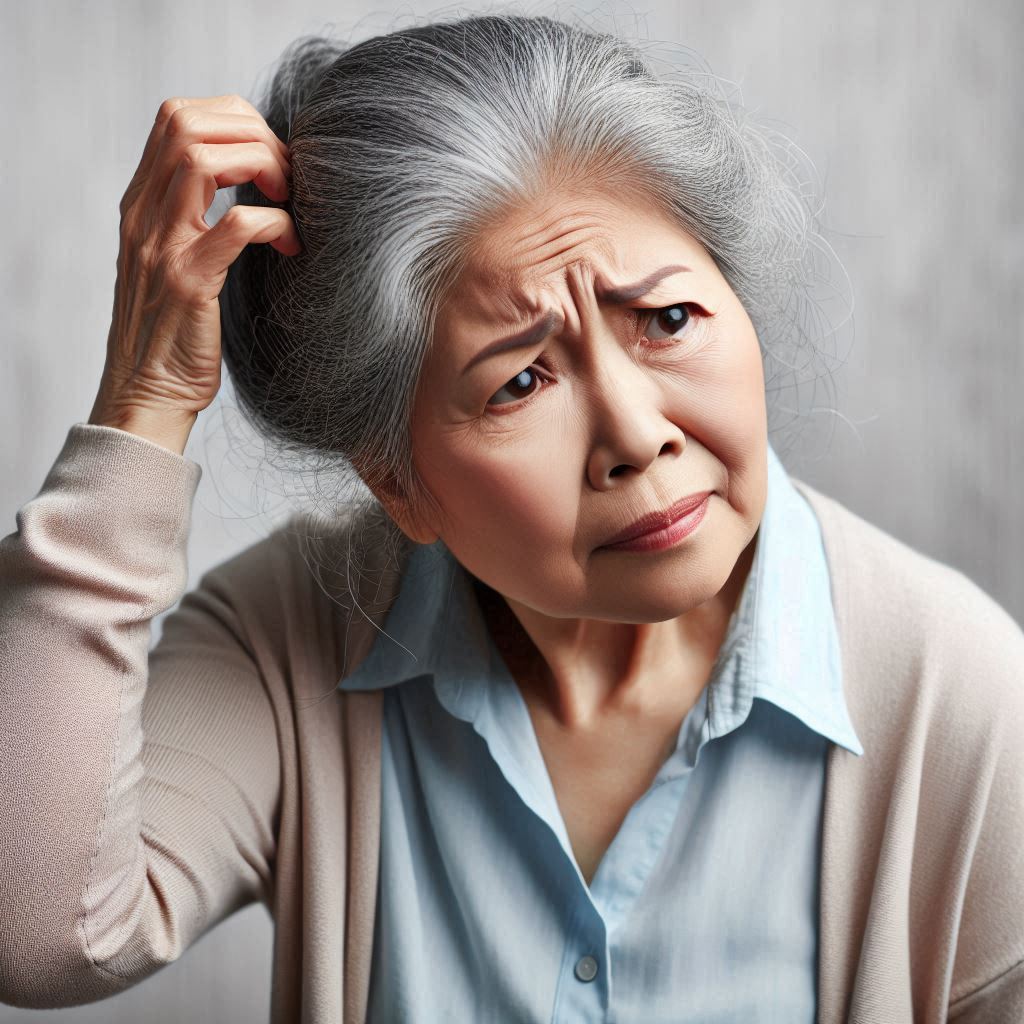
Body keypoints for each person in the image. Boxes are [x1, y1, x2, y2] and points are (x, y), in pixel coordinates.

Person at [1, 12, 1022, 1024]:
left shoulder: (959, 692)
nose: (634, 433)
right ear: (397, 480)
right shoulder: (288, 639)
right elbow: (38, 936)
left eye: (667, 319)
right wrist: (142, 405)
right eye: (520, 380)